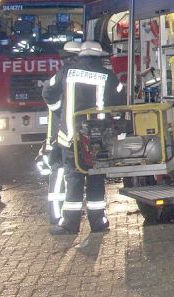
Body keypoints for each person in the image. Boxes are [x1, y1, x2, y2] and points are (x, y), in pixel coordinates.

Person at [42, 41, 124, 234]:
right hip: (98, 140)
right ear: (100, 57)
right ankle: (98, 223)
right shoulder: (110, 77)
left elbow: (47, 91)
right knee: (96, 178)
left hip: (70, 137)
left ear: (81, 55)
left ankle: (70, 225)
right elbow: (120, 103)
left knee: (73, 178)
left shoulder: (67, 72)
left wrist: (58, 110)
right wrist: (117, 127)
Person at [38, 40, 82, 225]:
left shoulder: (63, 75)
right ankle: (57, 216)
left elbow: (47, 91)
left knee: (60, 175)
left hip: (61, 135)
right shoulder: (70, 75)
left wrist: (57, 108)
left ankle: (59, 215)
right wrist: (58, 108)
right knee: (62, 176)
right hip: (65, 136)